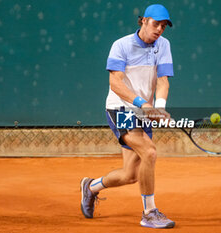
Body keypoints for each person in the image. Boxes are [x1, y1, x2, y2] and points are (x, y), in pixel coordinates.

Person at [80, 4, 175, 229]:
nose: (159, 29)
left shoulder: (164, 45)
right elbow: (115, 83)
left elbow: (163, 81)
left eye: (164, 26)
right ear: (143, 21)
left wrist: (159, 108)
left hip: (143, 112)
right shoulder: (121, 45)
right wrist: (144, 105)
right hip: (121, 109)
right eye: (156, 24)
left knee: (130, 175)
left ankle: (90, 187)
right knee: (149, 152)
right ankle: (149, 212)